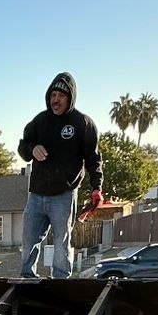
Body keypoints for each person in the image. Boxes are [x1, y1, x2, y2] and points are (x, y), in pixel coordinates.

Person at [17, 72, 102, 280]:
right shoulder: (39, 121)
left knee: (61, 243)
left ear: (70, 98)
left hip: (63, 195)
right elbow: (22, 145)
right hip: (36, 194)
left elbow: (93, 158)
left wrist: (96, 187)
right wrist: (32, 148)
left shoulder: (83, 123)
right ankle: (27, 278)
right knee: (29, 240)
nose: (56, 100)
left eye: (61, 96)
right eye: (53, 95)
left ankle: (61, 281)